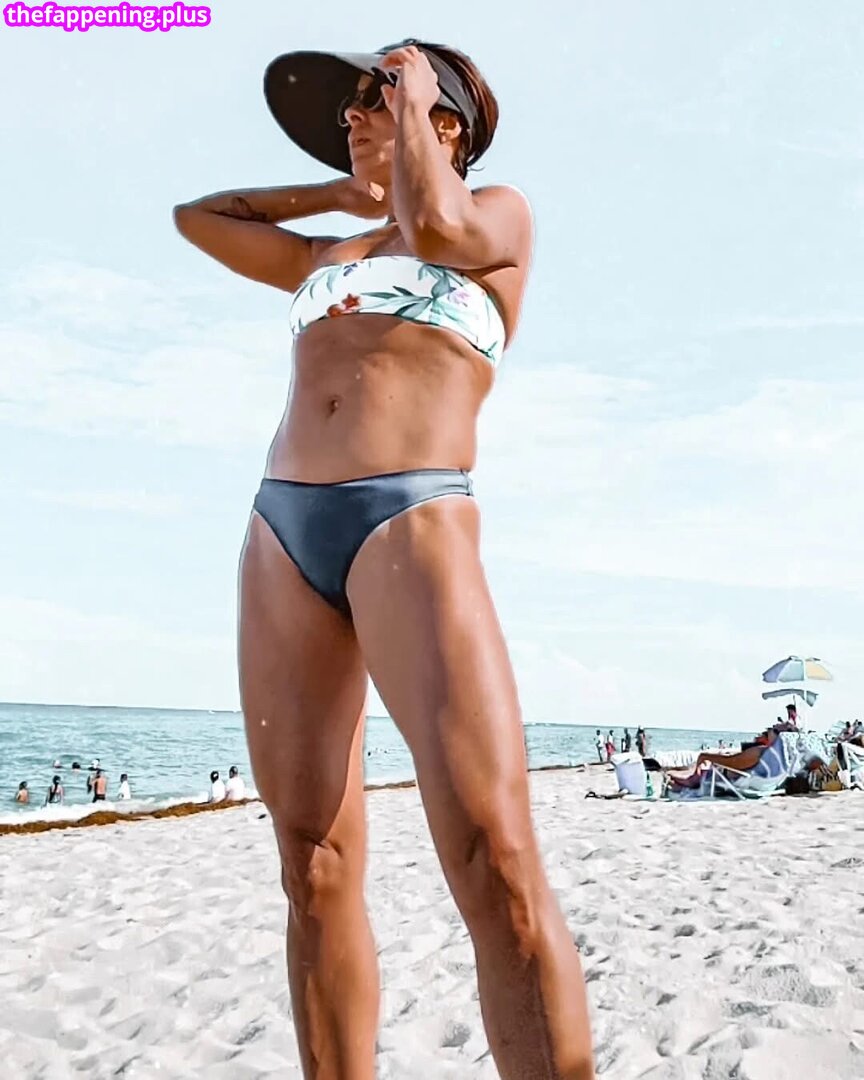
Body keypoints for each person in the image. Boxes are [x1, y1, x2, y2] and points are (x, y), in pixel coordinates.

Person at [174, 37, 594, 1080]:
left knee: (493, 860)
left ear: (444, 120)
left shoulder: (496, 217)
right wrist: (339, 191)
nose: (353, 116)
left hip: (412, 516)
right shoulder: (330, 256)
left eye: (375, 96)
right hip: (281, 533)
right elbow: (201, 218)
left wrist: (412, 119)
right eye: (352, 106)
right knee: (310, 864)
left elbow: (441, 225)